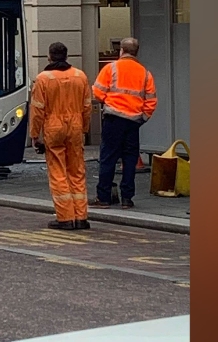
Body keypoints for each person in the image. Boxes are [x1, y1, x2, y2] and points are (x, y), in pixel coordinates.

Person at [29, 42, 92, 230]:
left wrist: (34, 135)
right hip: (75, 127)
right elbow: (87, 107)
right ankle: (81, 216)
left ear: (49, 56)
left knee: (58, 172)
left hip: (54, 127)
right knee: (77, 171)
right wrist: (85, 129)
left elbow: (37, 110)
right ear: (66, 56)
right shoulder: (80, 76)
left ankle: (65, 217)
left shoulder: (43, 79)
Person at [91, 37, 158, 209]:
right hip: (133, 122)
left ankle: (103, 197)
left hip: (113, 120)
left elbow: (97, 93)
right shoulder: (145, 73)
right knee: (130, 160)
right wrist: (141, 118)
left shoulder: (111, 68)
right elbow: (151, 102)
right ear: (136, 52)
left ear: (121, 50)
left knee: (108, 158)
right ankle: (127, 199)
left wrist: (109, 102)